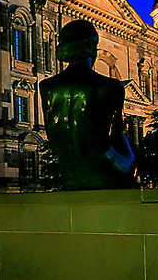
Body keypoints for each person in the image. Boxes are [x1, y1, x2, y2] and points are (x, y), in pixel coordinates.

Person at [39, 20, 137, 189]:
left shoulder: (46, 86)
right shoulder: (112, 86)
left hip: (69, 172)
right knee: (131, 161)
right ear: (93, 47)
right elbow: (116, 135)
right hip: (104, 170)